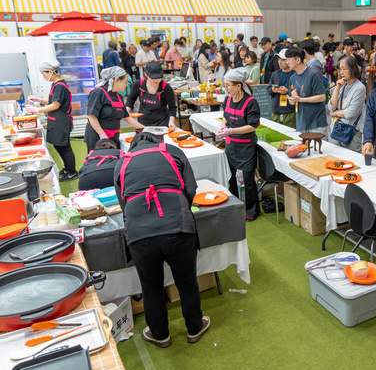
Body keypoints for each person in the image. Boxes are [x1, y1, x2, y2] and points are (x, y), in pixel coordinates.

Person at [114, 132, 209, 348]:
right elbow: (191, 189)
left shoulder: (122, 163)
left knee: (151, 287)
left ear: (133, 147)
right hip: (178, 227)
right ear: (158, 142)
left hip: (139, 234)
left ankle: (160, 335)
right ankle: (194, 328)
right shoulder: (173, 151)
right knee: (186, 282)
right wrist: (179, 206)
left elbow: (124, 203)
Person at [216, 68, 261, 221]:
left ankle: (252, 210)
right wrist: (223, 126)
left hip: (246, 146)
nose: (226, 89)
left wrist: (231, 131)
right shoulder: (228, 99)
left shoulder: (251, 102)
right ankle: (234, 206)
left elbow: (252, 126)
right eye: (225, 85)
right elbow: (225, 116)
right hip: (230, 146)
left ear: (239, 86)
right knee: (231, 177)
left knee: (248, 180)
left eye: (228, 85)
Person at [25, 60, 77, 181]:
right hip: (55, 120)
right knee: (58, 146)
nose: (43, 77)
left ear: (50, 72)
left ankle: (72, 171)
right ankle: (67, 168)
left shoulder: (59, 86)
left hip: (61, 121)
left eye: (43, 74)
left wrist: (36, 109)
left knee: (64, 147)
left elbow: (55, 105)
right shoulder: (55, 84)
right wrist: (38, 100)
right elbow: (52, 101)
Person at [85, 67, 144, 152]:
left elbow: (126, 117)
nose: (126, 85)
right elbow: (91, 116)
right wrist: (102, 135)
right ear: (116, 80)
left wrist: (145, 129)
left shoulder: (118, 97)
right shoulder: (98, 93)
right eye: (125, 82)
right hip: (97, 138)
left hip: (114, 137)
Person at [328, 56, 366, 152]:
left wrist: (335, 113)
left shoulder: (360, 88)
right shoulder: (342, 85)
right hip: (338, 129)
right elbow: (330, 106)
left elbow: (350, 113)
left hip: (351, 132)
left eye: (344, 69)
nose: (341, 72)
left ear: (352, 69)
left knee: (351, 162)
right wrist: (337, 88)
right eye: (340, 69)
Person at [287, 47, 327, 134]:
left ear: (298, 60)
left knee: (318, 147)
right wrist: (292, 99)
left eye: (289, 60)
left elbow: (322, 97)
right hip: (301, 123)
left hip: (316, 123)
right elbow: (292, 103)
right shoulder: (292, 78)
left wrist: (300, 99)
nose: (287, 63)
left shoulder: (313, 73)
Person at [127, 62, 178, 128]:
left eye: (159, 77)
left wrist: (171, 121)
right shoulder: (138, 84)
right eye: (153, 78)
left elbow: (172, 107)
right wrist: (127, 110)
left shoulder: (166, 88)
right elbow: (131, 99)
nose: (157, 80)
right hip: (142, 123)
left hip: (162, 123)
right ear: (146, 74)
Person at [267, 49, 296, 129]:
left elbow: (300, 92)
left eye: (283, 60)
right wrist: (272, 89)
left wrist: (287, 91)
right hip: (276, 112)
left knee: (290, 138)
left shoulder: (295, 74)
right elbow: (268, 89)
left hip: (290, 112)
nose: (280, 62)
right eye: (279, 59)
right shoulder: (275, 74)